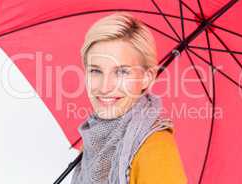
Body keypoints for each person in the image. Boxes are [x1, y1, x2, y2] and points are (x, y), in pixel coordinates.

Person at [70, 12, 187, 184]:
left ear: (147, 77)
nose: (105, 87)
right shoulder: (93, 141)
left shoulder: (155, 149)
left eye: (122, 72)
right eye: (96, 71)